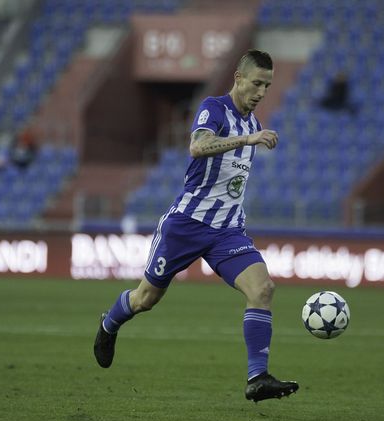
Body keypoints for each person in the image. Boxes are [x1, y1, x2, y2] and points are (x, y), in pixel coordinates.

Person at [93, 49, 299, 402]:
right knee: (145, 299)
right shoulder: (215, 108)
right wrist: (247, 140)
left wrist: (251, 136)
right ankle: (109, 324)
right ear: (238, 78)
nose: (262, 92)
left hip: (227, 231)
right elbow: (198, 146)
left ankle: (257, 377)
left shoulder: (253, 122)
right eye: (256, 83)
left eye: (267, 85)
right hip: (186, 224)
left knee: (262, 290)